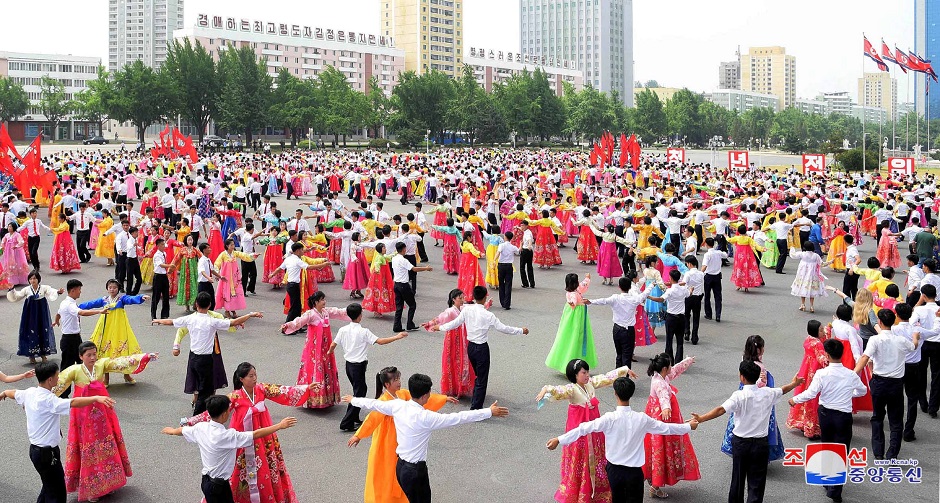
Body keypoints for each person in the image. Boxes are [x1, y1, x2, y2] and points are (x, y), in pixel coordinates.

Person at [342, 373, 509, 503]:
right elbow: (459, 417)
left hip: (400, 467)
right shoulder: (426, 418)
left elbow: (373, 404)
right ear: (424, 396)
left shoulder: (398, 405)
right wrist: (488, 412)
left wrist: (353, 399)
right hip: (415, 471)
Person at [179, 362, 318, 503]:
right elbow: (213, 411)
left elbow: (282, 391)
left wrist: (305, 388)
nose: (254, 378)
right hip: (242, 437)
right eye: (250, 376)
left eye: (255, 375)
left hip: (264, 435)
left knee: (266, 467)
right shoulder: (235, 397)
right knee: (240, 468)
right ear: (241, 379)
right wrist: (190, 421)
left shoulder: (262, 389)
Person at [546, 377, 698, 503]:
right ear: (630, 394)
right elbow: (667, 428)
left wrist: (559, 439)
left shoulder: (609, 419)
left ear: (615, 394)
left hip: (614, 471)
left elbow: (583, 428)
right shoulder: (642, 419)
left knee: (617, 500)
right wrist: (688, 426)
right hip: (634, 473)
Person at [51, 342, 157, 502]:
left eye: (94, 354)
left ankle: (108, 483)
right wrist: (38, 400)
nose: (93, 357)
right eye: (89, 355)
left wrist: (144, 356)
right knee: (89, 449)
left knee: (106, 445)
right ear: (81, 357)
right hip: (83, 416)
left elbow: (121, 362)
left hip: (102, 414)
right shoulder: (74, 370)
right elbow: (57, 384)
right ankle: (92, 489)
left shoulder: (101, 365)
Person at [1, 361, 116, 503]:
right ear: (50, 380)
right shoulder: (50, 400)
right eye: (57, 375)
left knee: (48, 486)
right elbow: (73, 402)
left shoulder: (30, 392)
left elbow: (13, 393)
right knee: (57, 493)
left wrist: (4, 393)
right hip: (47, 455)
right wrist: (96, 398)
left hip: (35, 452)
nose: (59, 378)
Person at [691, 361, 803, 503]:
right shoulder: (768, 393)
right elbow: (782, 390)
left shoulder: (739, 396)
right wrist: (794, 384)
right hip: (761, 443)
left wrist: (701, 418)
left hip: (741, 443)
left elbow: (720, 409)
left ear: (742, 377)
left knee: (737, 478)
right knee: (757, 482)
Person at [161, 394, 297, 503]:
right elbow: (255, 434)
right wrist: (279, 425)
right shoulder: (226, 436)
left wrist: (171, 431)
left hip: (206, 481)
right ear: (225, 414)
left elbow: (182, 430)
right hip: (219, 486)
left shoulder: (201, 428)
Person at [348, 367, 456, 503]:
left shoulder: (403, 394)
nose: (399, 382)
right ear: (387, 385)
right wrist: (359, 435)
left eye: (398, 378)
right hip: (387, 442)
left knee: (399, 472)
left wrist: (443, 398)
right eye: (395, 380)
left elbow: (420, 399)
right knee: (387, 472)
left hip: (402, 438)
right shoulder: (384, 400)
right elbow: (372, 419)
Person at [536, 360, 635, 503]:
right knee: (581, 459)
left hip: (594, 429)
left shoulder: (590, 384)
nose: (587, 375)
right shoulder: (572, 389)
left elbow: (605, 378)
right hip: (579, 430)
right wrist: (546, 389)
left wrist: (624, 370)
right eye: (584, 372)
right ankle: (581, 491)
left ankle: (597, 490)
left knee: (596, 455)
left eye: (587, 372)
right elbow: (559, 390)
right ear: (575, 375)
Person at [152, 293, 264, 414]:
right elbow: (234, 322)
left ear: (196, 304)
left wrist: (159, 321)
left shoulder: (190, 319)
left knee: (202, 387)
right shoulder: (212, 321)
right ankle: (197, 417)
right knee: (206, 391)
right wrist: (250, 314)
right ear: (210, 305)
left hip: (193, 358)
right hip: (205, 360)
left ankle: (205, 413)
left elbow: (171, 322)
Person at [789, 339, 868, 503]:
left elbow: (811, 393)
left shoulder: (822, 374)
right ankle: (835, 489)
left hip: (825, 414)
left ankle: (826, 479)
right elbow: (862, 390)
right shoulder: (850, 374)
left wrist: (795, 399)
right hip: (843, 416)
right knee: (842, 450)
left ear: (827, 354)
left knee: (827, 446)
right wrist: (848, 393)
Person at [430, 286, 528, 410]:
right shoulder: (488, 315)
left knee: (477, 375)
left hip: (470, 348)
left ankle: (476, 397)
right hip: (481, 348)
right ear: (485, 296)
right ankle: (475, 408)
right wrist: (521, 330)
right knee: (482, 378)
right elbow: (503, 328)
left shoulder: (467, 310)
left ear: (474, 297)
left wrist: (440, 327)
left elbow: (454, 323)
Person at [327, 303, 408, 431]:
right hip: (358, 366)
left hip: (349, 366)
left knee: (358, 390)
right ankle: (346, 422)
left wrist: (329, 352)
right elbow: (380, 341)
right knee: (359, 394)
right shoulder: (363, 332)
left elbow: (333, 344)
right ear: (360, 316)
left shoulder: (343, 330)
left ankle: (354, 417)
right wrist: (397, 337)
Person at [855, 308, 918, 461]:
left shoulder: (875, 340)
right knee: (896, 421)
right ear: (893, 321)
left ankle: (878, 452)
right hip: (896, 384)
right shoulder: (901, 340)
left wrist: (853, 374)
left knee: (877, 417)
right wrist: (915, 337)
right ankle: (893, 454)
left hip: (879, 382)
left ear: (880, 322)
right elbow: (913, 346)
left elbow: (865, 357)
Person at [644, 353, 700, 499]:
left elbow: (675, 370)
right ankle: (655, 486)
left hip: (656, 415)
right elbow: (663, 397)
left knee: (655, 448)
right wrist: (666, 408)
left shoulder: (660, 376)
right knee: (661, 449)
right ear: (664, 368)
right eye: (669, 365)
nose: (671, 367)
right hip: (662, 418)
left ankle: (653, 480)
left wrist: (687, 361)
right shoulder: (660, 383)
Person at [281, 291, 349, 408]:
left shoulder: (325, 312)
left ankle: (326, 398)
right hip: (314, 350)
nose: (324, 302)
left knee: (326, 369)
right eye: (322, 300)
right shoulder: (310, 314)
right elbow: (298, 322)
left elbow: (338, 312)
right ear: (316, 302)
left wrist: (353, 310)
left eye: (324, 299)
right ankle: (311, 399)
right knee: (313, 370)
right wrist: (287, 325)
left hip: (326, 348)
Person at [78, 279, 150, 386]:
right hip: (105, 326)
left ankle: (126, 374)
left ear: (118, 289)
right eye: (110, 287)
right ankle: (106, 378)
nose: (112, 289)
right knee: (105, 351)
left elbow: (131, 299)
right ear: (107, 289)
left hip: (119, 327)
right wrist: (78, 306)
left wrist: (140, 297)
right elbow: (91, 304)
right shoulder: (104, 300)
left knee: (124, 350)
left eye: (114, 287)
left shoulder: (122, 299)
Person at [52, 279, 109, 398]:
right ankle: (62, 394)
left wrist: (57, 321)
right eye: (79, 290)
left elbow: (58, 313)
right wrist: (99, 311)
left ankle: (88, 390)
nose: (80, 292)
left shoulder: (64, 303)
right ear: (73, 290)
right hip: (69, 339)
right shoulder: (70, 304)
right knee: (67, 368)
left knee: (83, 364)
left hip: (74, 339)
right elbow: (81, 312)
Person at [586, 274, 652, 368]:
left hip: (617, 329)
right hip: (629, 330)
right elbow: (644, 294)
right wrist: (651, 285)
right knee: (627, 356)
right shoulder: (634, 299)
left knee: (619, 354)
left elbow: (603, 301)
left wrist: (590, 301)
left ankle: (617, 377)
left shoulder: (615, 298)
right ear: (630, 287)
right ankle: (625, 378)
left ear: (619, 287)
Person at [422, 289, 478, 398]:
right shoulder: (450, 311)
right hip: (453, 339)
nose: (462, 300)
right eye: (460, 298)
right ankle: (455, 388)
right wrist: (429, 323)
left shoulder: (464, 308)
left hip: (463, 338)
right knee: (453, 361)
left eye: (463, 297)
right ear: (453, 299)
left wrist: (485, 304)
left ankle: (462, 386)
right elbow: (439, 318)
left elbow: (475, 308)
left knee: (464, 362)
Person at [785, 320, 829, 440]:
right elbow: (823, 360)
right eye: (821, 330)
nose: (823, 331)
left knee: (803, 392)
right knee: (813, 398)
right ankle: (812, 428)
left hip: (806, 368)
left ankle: (802, 422)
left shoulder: (808, 339)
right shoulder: (818, 344)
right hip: (814, 371)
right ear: (815, 331)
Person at [545, 273, 597, 374]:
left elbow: (583, 285)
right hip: (577, 316)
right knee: (576, 336)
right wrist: (573, 303)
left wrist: (587, 278)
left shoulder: (573, 291)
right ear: (576, 283)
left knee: (572, 336)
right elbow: (574, 301)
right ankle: (572, 364)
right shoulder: (573, 293)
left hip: (572, 314)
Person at [8, 271, 63, 363]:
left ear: (38, 279)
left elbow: (51, 291)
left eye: (34, 278)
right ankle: (31, 355)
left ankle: (43, 354)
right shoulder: (26, 289)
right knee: (31, 331)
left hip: (42, 312)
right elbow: (17, 296)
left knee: (43, 330)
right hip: (30, 313)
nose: (32, 280)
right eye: (30, 279)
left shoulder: (44, 288)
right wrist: (12, 290)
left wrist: (58, 292)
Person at [391, 241, 433, 332]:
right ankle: (410, 324)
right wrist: (426, 268)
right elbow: (414, 269)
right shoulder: (403, 260)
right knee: (412, 305)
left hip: (396, 284)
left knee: (399, 306)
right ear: (403, 249)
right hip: (403, 285)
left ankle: (396, 326)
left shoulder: (394, 258)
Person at [790, 242, 830, 313]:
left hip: (803, 274)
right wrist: (830, 262)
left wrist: (792, 249)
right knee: (812, 290)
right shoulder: (816, 255)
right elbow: (822, 264)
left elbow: (793, 255)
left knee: (803, 288)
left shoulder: (802, 254)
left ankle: (803, 304)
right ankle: (811, 306)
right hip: (812, 275)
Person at [701, 237, 726, 322]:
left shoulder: (707, 254)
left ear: (706, 244)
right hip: (717, 276)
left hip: (708, 276)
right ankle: (718, 315)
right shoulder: (718, 253)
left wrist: (700, 273)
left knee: (707, 296)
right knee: (718, 296)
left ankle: (709, 314)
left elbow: (704, 266)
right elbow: (725, 254)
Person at [682, 256, 705, 344]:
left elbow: (684, 284)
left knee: (686, 315)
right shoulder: (701, 274)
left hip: (688, 296)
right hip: (697, 297)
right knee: (696, 317)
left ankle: (686, 331)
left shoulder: (688, 274)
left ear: (689, 264)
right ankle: (694, 336)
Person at [495, 231, 519, 309]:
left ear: (505, 237)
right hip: (509, 266)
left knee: (501, 284)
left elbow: (498, 253)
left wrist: (494, 260)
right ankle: (507, 303)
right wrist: (521, 245)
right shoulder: (512, 247)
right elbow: (518, 252)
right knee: (508, 284)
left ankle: (502, 302)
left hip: (501, 265)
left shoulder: (501, 245)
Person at [519, 220, 535, 288]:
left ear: (526, 226)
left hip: (526, 250)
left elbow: (529, 240)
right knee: (529, 267)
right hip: (529, 251)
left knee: (522, 267)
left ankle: (525, 283)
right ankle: (532, 283)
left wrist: (529, 245)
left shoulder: (527, 233)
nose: (521, 227)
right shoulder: (527, 231)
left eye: (523, 225)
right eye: (521, 225)